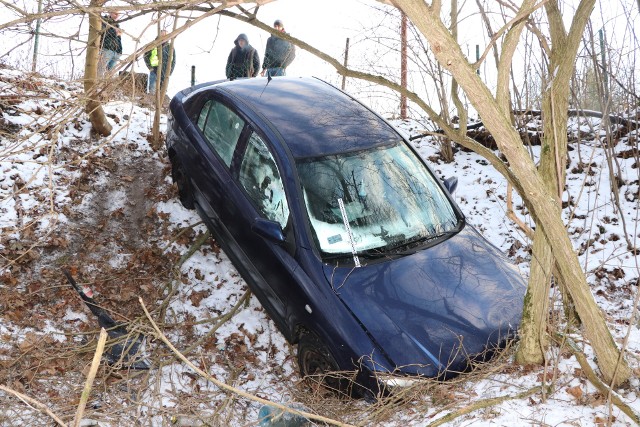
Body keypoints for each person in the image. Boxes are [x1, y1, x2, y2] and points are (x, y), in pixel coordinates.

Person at [144, 30, 176, 95]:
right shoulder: (153, 44)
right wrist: (150, 67)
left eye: (165, 35)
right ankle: (151, 103)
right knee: (152, 89)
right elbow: (146, 56)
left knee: (163, 91)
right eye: (162, 34)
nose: (164, 36)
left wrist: (170, 71)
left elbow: (174, 60)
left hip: (165, 71)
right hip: (155, 70)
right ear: (158, 35)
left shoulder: (170, 46)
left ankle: (161, 103)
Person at [98, 11, 123, 77]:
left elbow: (118, 39)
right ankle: (97, 86)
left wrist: (119, 51)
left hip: (116, 52)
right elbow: (101, 33)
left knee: (111, 74)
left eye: (118, 14)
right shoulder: (103, 21)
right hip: (106, 49)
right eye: (115, 13)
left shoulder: (116, 24)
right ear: (110, 12)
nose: (117, 16)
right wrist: (115, 33)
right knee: (100, 70)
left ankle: (106, 86)